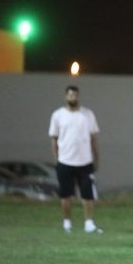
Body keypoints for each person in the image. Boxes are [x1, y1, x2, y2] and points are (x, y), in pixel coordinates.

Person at [48, 85, 101, 233]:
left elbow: (93, 139)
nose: (73, 98)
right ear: (66, 96)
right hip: (65, 161)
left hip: (85, 162)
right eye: (70, 95)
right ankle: (67, 223)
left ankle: (89, 223)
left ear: (79, 96)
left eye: (75, 95)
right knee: (66, 194)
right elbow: (54, 139)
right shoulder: (58, 115)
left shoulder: (88, 114)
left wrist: (96, 158)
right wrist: (57, 159)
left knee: (87, 194)